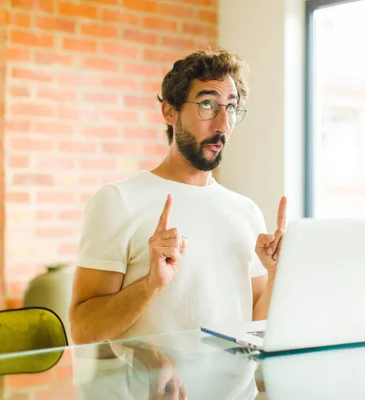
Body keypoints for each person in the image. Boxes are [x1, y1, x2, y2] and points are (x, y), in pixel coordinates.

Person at [69, 48, 286, 345]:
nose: (223, 124)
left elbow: (256, 326)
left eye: (231, 108)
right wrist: (151, 284)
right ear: (170, 111)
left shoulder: (246, 211)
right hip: (161, 392)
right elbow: (83, 331)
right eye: (208, 104)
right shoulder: (117, 201)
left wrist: (275, 274)